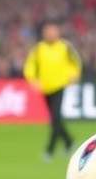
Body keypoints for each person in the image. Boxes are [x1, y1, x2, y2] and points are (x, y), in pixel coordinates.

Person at [23, 20, 82, 161]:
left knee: (55, 118)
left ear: (58, 32)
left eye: (53, 30)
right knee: (55, 119)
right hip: (45, 87)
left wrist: (74, 75)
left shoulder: (65, 47)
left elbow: (76, 63)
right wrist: (32, 80)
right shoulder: (39, 49)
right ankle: (69, 142)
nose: (50, 33)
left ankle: (49, 150)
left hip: (60, 85)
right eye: (48, 31)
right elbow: (30, 65)